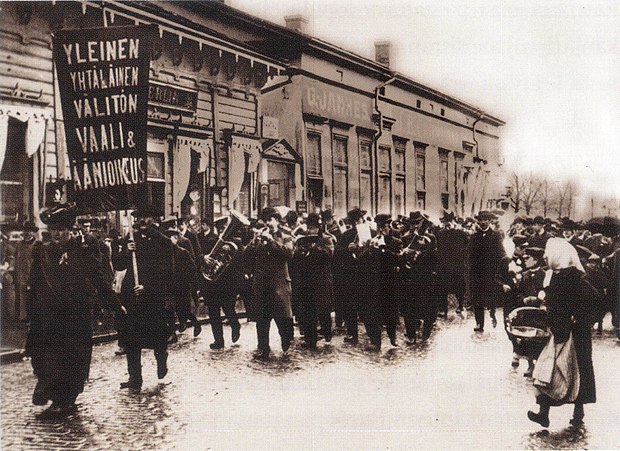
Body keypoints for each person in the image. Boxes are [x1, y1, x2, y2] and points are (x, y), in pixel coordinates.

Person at [25, 203, 120, 413]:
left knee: (72, 358)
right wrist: (31, 310)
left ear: (70, 230)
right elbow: (35, 281)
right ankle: (51, 393)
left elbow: (98, 279)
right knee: (46, 355)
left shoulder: (83, 251)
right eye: (53, 230)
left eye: (61, 230)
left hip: (75, 314)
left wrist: (115, 305)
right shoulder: (43, 251)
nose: (56, 234)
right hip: (49, 315)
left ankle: (65, 399)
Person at [527, 238, 598, 428]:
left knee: (576, 372)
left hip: (576, 335)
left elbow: (595, 303)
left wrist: (581, 319)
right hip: (558, 332)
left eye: (549, 253)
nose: (545, 256)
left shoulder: (578, 278)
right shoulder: (554, 276)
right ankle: (544, 413)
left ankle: (578, 410)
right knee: (547, 370)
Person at [114, 205, 176, 391]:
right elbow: (118, 264)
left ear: (154, 219)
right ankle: (135, 377)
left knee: (157, 337)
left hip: (152, 297)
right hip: (132, 296)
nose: (142, 221)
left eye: (146, 218)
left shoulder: (162, 240)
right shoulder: (131, 238)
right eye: (139, 218)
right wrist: (126, 250)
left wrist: (148, 287)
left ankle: (161, 363)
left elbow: (167, 270)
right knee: (131, 338)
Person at [246, 207, 294, 360]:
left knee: (282, 319)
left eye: (270, 220)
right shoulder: (259, 236)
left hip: (278, 284)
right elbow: (246, 255)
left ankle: (285, 339)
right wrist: (254, 243)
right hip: (262, 284)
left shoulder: (285, 235)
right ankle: (263, 348)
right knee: (262, 319)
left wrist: (271, 241)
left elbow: (289, 253)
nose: (267, 223)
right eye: (265, 220)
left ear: (277, 220)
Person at [293, 213, 335, 350]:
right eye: (310, 227)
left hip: (322, 280)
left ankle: (327, 334)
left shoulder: (326, 239)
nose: (311, 230)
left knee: (323, 311)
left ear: (319, 227)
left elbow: (329, 255)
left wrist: (314, 248)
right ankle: (310, 339)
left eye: (314, 228)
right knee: (308, 311)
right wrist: (301, 250)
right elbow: (295, 259)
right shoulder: (302, 240)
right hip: (306, 281)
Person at [360, 214, 401, 350]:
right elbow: (363, 260)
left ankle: (392, 336)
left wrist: (384, 249)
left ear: (388, 226)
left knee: (390, 311)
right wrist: (369, 249)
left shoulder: (395, 241)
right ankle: (375, 341)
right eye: (378, 227)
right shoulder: (372, 240)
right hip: (374, 282)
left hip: (389, 281)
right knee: (373, 312)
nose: (381, 229)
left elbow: (398, 259)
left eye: (383, 226)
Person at [468, 211, 506, 332]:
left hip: (491, 273)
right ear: (478, 222)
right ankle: (479, 323)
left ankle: (492, 313)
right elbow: (469, 254)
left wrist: (501, 267)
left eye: (486, 220)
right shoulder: (474, 236)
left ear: (490, 221)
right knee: (477, 298)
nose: (483, 222)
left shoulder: (496, 235)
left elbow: (501, 253)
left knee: (491, 297)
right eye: (481, 220)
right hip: (477, 273)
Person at [435, 211, 469, 315]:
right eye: (445, 222)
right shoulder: (440, 233)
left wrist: (463, 259)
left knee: (459, 286)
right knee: (442, 287)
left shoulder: (461, 233)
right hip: (444, 265)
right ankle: (443, 309)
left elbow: (467, 248)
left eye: (449, 222)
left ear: (453, 221)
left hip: (457, 264)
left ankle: (461, 305)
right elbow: (438, 248)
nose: (447, 224)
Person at [14, 221, 39, 322]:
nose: (27, 233)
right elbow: (16, 260)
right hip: (21, 277)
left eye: (29, 231)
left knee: (34, 299)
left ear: (33, 232)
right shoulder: (19, 245)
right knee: (21, 300)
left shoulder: (38, 245)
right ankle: (22, 320)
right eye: (25, 231)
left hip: (34, 278)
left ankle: (34, 320)